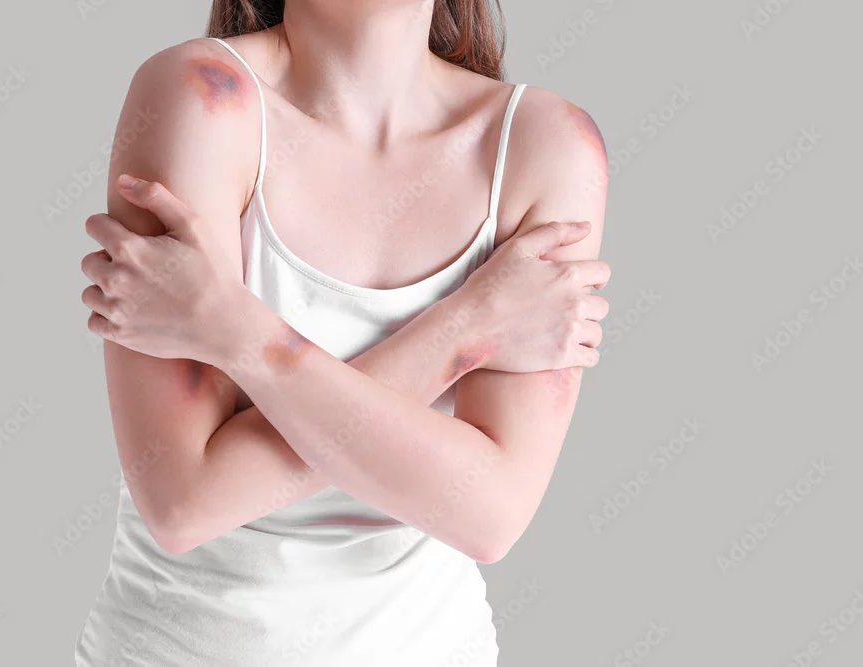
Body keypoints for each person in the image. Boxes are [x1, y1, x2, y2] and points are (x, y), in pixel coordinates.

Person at [74, 1, 610, 665]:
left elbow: (490, 516)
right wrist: (467, 325)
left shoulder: (544, 144)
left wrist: (231, 326)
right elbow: (185, 502)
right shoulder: (202, 97)